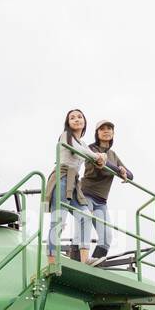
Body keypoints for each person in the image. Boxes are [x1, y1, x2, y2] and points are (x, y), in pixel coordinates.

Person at [44, 109, 101, 265]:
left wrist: (102, 157)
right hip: (62, 178)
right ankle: (51, 261)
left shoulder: (83, 143)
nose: (76, 119)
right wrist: (97, 157)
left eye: (79, 117)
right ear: (68, 123)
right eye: (72, 118)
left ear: (84, 121)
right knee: (59, 221)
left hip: (74, 183)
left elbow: (93, 156)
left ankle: (85, 259)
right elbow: (82, 152)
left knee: (86, 216)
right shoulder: (65, 136)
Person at [81, 119, 133, 261]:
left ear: (113, 133)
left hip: (101, 201)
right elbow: (103, 167)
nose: (106, 131)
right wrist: (119, 169)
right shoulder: (91, 148)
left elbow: (131, 175)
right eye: (102, 129)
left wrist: (123, 170)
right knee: (84, 225)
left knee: (107, 237)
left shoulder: (113, 155)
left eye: (109, 128)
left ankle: (95, 263)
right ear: (97, 133)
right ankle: (80, 260)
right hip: (86, 194)